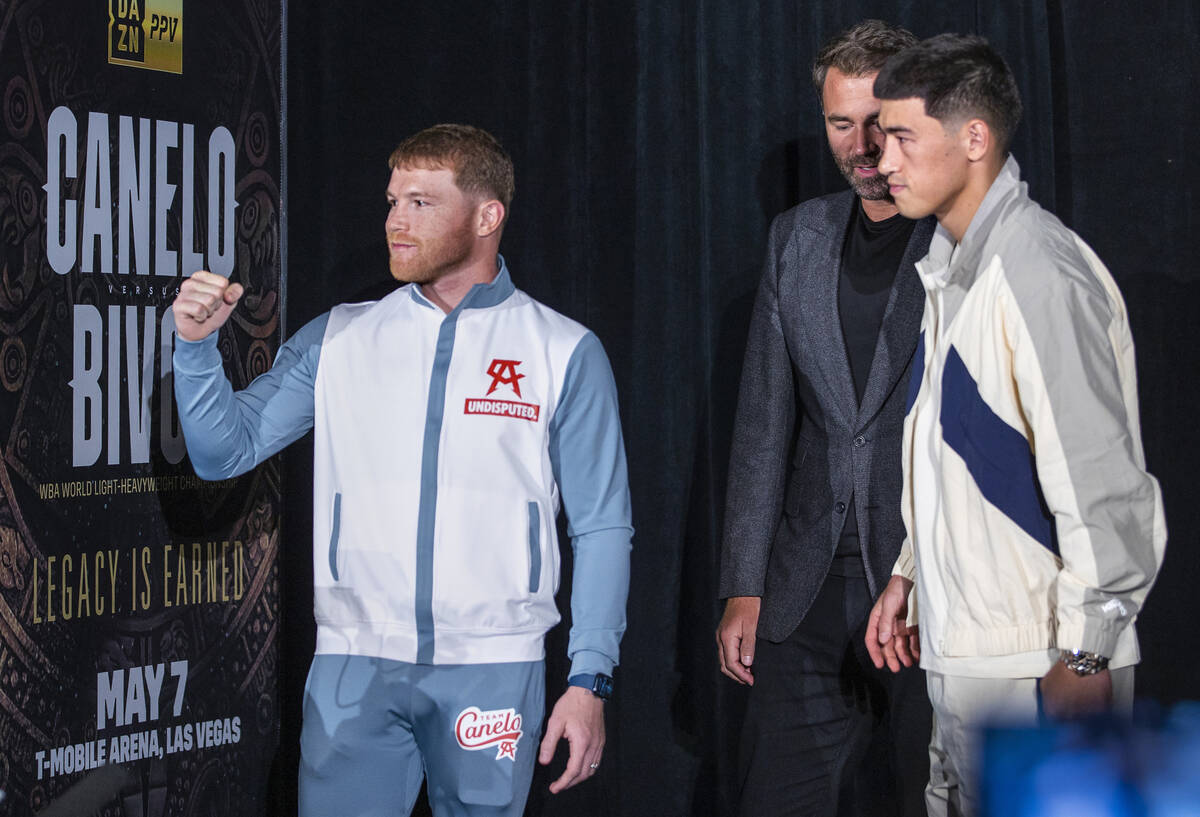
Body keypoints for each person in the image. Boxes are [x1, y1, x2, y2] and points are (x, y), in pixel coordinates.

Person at [171, 124, 633, 817]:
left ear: (487, 216)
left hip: (492, 668)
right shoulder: (340, 337)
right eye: (392, 201)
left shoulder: (561, 350)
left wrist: (589, 678)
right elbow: (223, 453)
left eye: (421, 202)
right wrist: (195, 349)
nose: (396, 221)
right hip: (352, 665)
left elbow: (602, 526)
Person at [865, 34, 1166, 817]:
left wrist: (1088, 651)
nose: (881, 159)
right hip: (976, 658)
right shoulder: (955, 268)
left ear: (974, 139)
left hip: (1039, 662)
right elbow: (961, 455)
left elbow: (1102, 482)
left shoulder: (1036, 273)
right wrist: (910, 572)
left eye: (901, 137)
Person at [716, 20, 935, 817]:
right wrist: (744, 583)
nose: (862, 144)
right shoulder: (795, 239)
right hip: (805, 587)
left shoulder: (961, 238)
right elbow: (763, 427)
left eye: (878, 121)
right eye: (841, 123)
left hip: (927, 587)